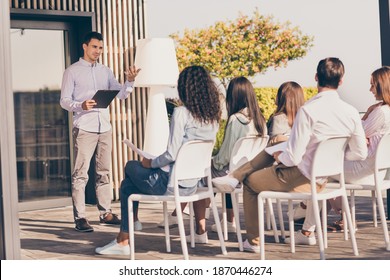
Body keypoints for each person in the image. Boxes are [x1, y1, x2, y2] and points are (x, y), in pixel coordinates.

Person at [213, 57, 368, 252]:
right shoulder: (351, 112)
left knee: (251, 183)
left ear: (316, 78)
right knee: (278, 144)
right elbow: (360, 153)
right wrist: (335, 157)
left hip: (301, 178)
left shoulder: (309, 110)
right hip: (323, 180)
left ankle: (253, 241)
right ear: (341, 81)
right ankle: (234, 177)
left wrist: (279, 157)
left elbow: (293, 158)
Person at [95, 65, 221, 255]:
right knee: (128, 186)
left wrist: (150, 163)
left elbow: (171, 154)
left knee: (130, 166)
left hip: (169, 184)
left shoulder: (181, 113)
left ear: (186, 88)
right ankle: (124, 237)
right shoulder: (213, 117)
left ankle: (125, 237)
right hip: (192, 185)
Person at [158, 77, 267, 239]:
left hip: (232, 174)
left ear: (234, 96)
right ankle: (221, 221)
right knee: (207, 173)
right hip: (250, 172)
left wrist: (210, 162)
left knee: (199, 173)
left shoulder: (236, 119)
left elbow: (224, 157)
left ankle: (198, 230)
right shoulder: (260, 120)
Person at [60, 31, 140, 232]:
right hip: (84, 127)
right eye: (95, 47)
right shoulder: (72, 71)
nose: (98, 51)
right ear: (85, 47)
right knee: (80, 175)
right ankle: (80, 217)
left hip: (104, 127)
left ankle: (105, 213)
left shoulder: (106, 71)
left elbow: (121, 95)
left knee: (104, 172)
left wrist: (129, 81)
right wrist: (81, 105)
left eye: (101, 48)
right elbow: (64, 101)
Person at [325, 66, 390, 232]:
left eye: (373, 85)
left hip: (365, 171)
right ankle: (319, 218)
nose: (370, 89)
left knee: (322, 170)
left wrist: (367, 114)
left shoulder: (381, 112)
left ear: (383, 86)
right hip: (378, 170)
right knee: (328, 170)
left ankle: (342, 218)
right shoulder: (386, 111)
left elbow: (357, 134)